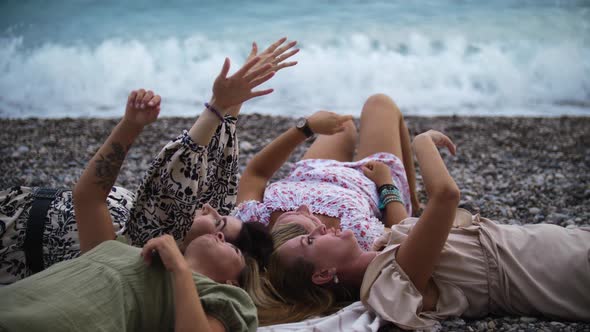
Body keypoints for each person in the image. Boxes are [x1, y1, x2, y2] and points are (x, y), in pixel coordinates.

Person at [0, 48, 286, 331]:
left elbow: (178, 171)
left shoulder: (144, 249)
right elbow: (220, 168)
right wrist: (231, 103)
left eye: (220, 223)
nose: (212, 209)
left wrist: (215, 108)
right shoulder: (158, 237)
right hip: (14, 202)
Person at [256, 113, 590, 328]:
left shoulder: (384, 250)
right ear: (324, 274)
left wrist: (387, 185)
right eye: (312, 240)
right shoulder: (389, 279)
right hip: (557, 269)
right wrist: (422, 143)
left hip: (550, 243)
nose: (322, 227)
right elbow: (445, 196)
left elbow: (402, 225)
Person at [233, 93, 420, 251]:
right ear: (321, 234)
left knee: (342, 124)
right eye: (309, 217)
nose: (305, 207)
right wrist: (386, 184)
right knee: (380, 103)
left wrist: (305, 129)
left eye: (290, 213)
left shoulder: (256, 222)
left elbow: (256, 173)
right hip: (371, 177)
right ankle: (411, 199)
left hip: (314, 169)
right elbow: (401, 235)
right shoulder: (352, 233)